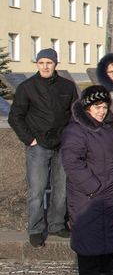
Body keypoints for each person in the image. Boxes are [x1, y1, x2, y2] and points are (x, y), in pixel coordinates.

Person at [8, 48, 78, 247]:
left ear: (56, 63)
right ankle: (35, 229)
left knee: (61, 189)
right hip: (38, 145)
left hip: (62, 144)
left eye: (49, 63)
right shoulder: (27, 87)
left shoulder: (67, 86)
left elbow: (75, 113)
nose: (45, 66)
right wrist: (30, 140)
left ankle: (57, 224)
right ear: (37, 64)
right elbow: (15, 117)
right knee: (36, 190)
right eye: (41, 63)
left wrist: (69, 137)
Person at [61, 86, 113, 275]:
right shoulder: (76, 129)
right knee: (89, 229)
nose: (102, 111)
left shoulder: (109, 127)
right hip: (89, 192)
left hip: (110, 188)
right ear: (87, 107)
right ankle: (89, 271)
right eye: (97, 107)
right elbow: (72, 162)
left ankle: (106, 264)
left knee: (108, 226)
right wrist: (93, 187)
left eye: (105, 107)